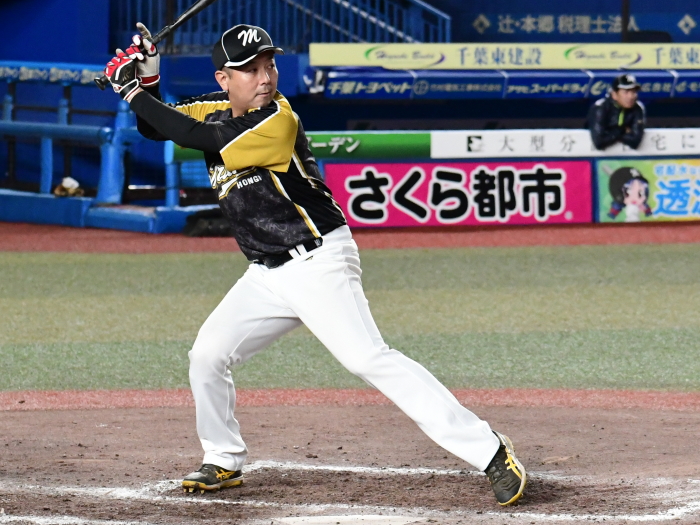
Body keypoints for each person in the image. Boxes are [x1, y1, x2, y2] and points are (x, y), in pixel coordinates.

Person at [103, 23, 527, 506]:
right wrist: (149, 80)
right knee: (207, 355)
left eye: (269, 65)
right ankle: (223, 457)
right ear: (224, 79)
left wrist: (131, 90)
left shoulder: (277, 118)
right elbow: (159, 126)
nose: (265, 77)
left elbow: (198, 136)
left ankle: (490, 451)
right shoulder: (212, 107)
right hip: (266, 273)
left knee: (367, 358)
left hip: (319, 259)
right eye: (250, 69)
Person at [588, 73, 646, 150]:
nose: (631, 96)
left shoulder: (637, 108)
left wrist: (611, 132)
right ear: (614, 94)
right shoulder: (601, 107)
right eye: (626, 92)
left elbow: (635, 141)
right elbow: (599, 142)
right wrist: (622, 130)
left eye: (633, 92)